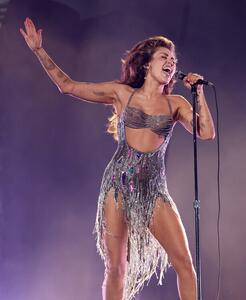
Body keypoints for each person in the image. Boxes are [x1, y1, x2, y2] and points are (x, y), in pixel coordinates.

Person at [20, 17, 215, 300]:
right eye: (164, 56)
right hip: (118, 185)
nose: (171, 61)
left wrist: (198, 92)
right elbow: (68, 86)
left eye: (173, 59)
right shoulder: (122, 94)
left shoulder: (177, 104)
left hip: (154, 189)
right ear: (148, 63)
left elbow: (206, 133)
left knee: (184, 263)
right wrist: (39, 50)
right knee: (115, 267)